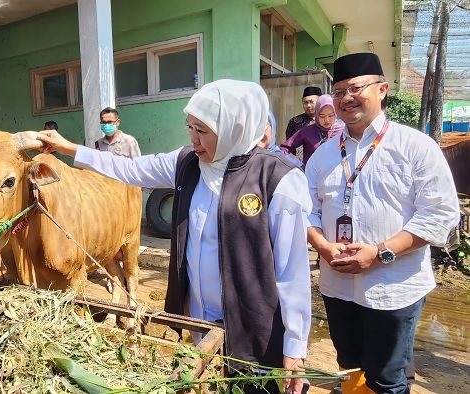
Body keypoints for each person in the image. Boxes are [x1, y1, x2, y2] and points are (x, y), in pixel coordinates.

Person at [38, 80, 312, 394]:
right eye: (190, 127)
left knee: (249, 387)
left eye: (203, 130)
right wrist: (68, 148)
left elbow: (293, 272)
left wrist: (295, 348)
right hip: (200, 320)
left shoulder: (278, 179)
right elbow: (130, 169)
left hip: (252, 327)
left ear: (235, 128)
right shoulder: (186, 164)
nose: (193, 139)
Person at [305, 53, 460, 394]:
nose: (346, 98)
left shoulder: (415, 147)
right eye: (340, 90)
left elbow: (440, 214)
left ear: (382, 89)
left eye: (356, 88)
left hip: (392, 287)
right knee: (349, 366)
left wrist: (379, 253)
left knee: (387, 378)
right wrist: (323, 246)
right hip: (337, 284)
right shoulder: (324, 155)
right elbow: (307, 211)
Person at [281, 95, 344, 166]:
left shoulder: (343, 130)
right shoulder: (307, 131)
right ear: (316, 115)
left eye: (330, 116)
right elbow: (284, 149)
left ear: (335, 114)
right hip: (311, 175)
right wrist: (296, 165)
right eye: (322, 116)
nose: (327, 120)